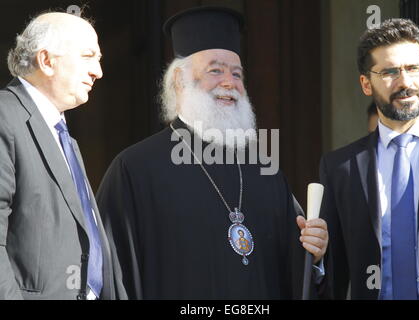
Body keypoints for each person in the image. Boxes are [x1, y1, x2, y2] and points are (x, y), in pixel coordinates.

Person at [96, 6, 328, 299]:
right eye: (215, 70)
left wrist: (314, 255)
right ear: (179, 82)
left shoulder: (265, 171)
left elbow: (297, 274)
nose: (229, 83)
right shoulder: (134, 170)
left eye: (237, 74)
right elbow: (113, 279)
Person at [320, 18, 419, 299]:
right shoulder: (340, 168)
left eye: (414, 68)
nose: (405, 82)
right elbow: (333, 276)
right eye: (390, 72)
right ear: (366, 84)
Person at [0, 12, 125, 300]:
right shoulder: (6, 116)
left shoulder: (62, 135)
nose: (98, 71)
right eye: (88, 56)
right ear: (47, 61)